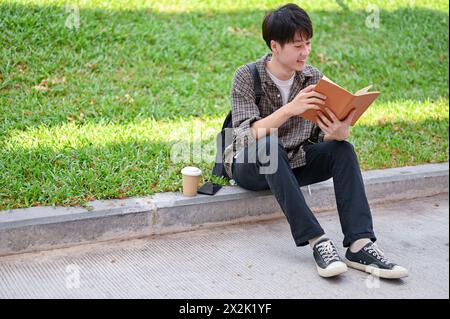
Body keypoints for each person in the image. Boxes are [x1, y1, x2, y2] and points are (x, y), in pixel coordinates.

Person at [223, 3, 408, 279]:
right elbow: (242, 136)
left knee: (342, 150)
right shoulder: (247, 76)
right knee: (270, 147)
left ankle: (360, 244)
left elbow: (320, 135)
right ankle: (317, 241)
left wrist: (338, 132)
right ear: (275, 46)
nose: (305, 52)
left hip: (293, 162)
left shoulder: (313, 78)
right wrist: (289, 109)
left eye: (308, 43)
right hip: (251, 164)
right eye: (297, 45)